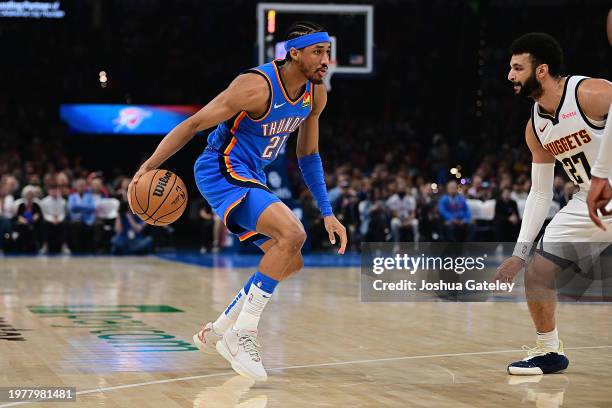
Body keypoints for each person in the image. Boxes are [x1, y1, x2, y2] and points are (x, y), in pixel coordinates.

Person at [127, 22, 347, 382]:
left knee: (290, 261)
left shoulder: (315, 94)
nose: (326, 60)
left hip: (249, 175)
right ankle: (243, 334)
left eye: (327, 52)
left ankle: (219, 330)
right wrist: (148, 166)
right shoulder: (255, 87)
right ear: (294, 53)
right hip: (219, 168)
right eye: (317, 52)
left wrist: (327, 212)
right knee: (292, 234)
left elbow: (308, 155)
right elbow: (193, 123)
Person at [494, 33, 612, 375]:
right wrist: (519, 254)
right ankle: (549, 351)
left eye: (518, 68)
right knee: (538, 271)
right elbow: (540, 193)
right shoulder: (536, 126)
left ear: (541, 70)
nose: (510, 76)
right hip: (589, 199)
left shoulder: (589, 93)